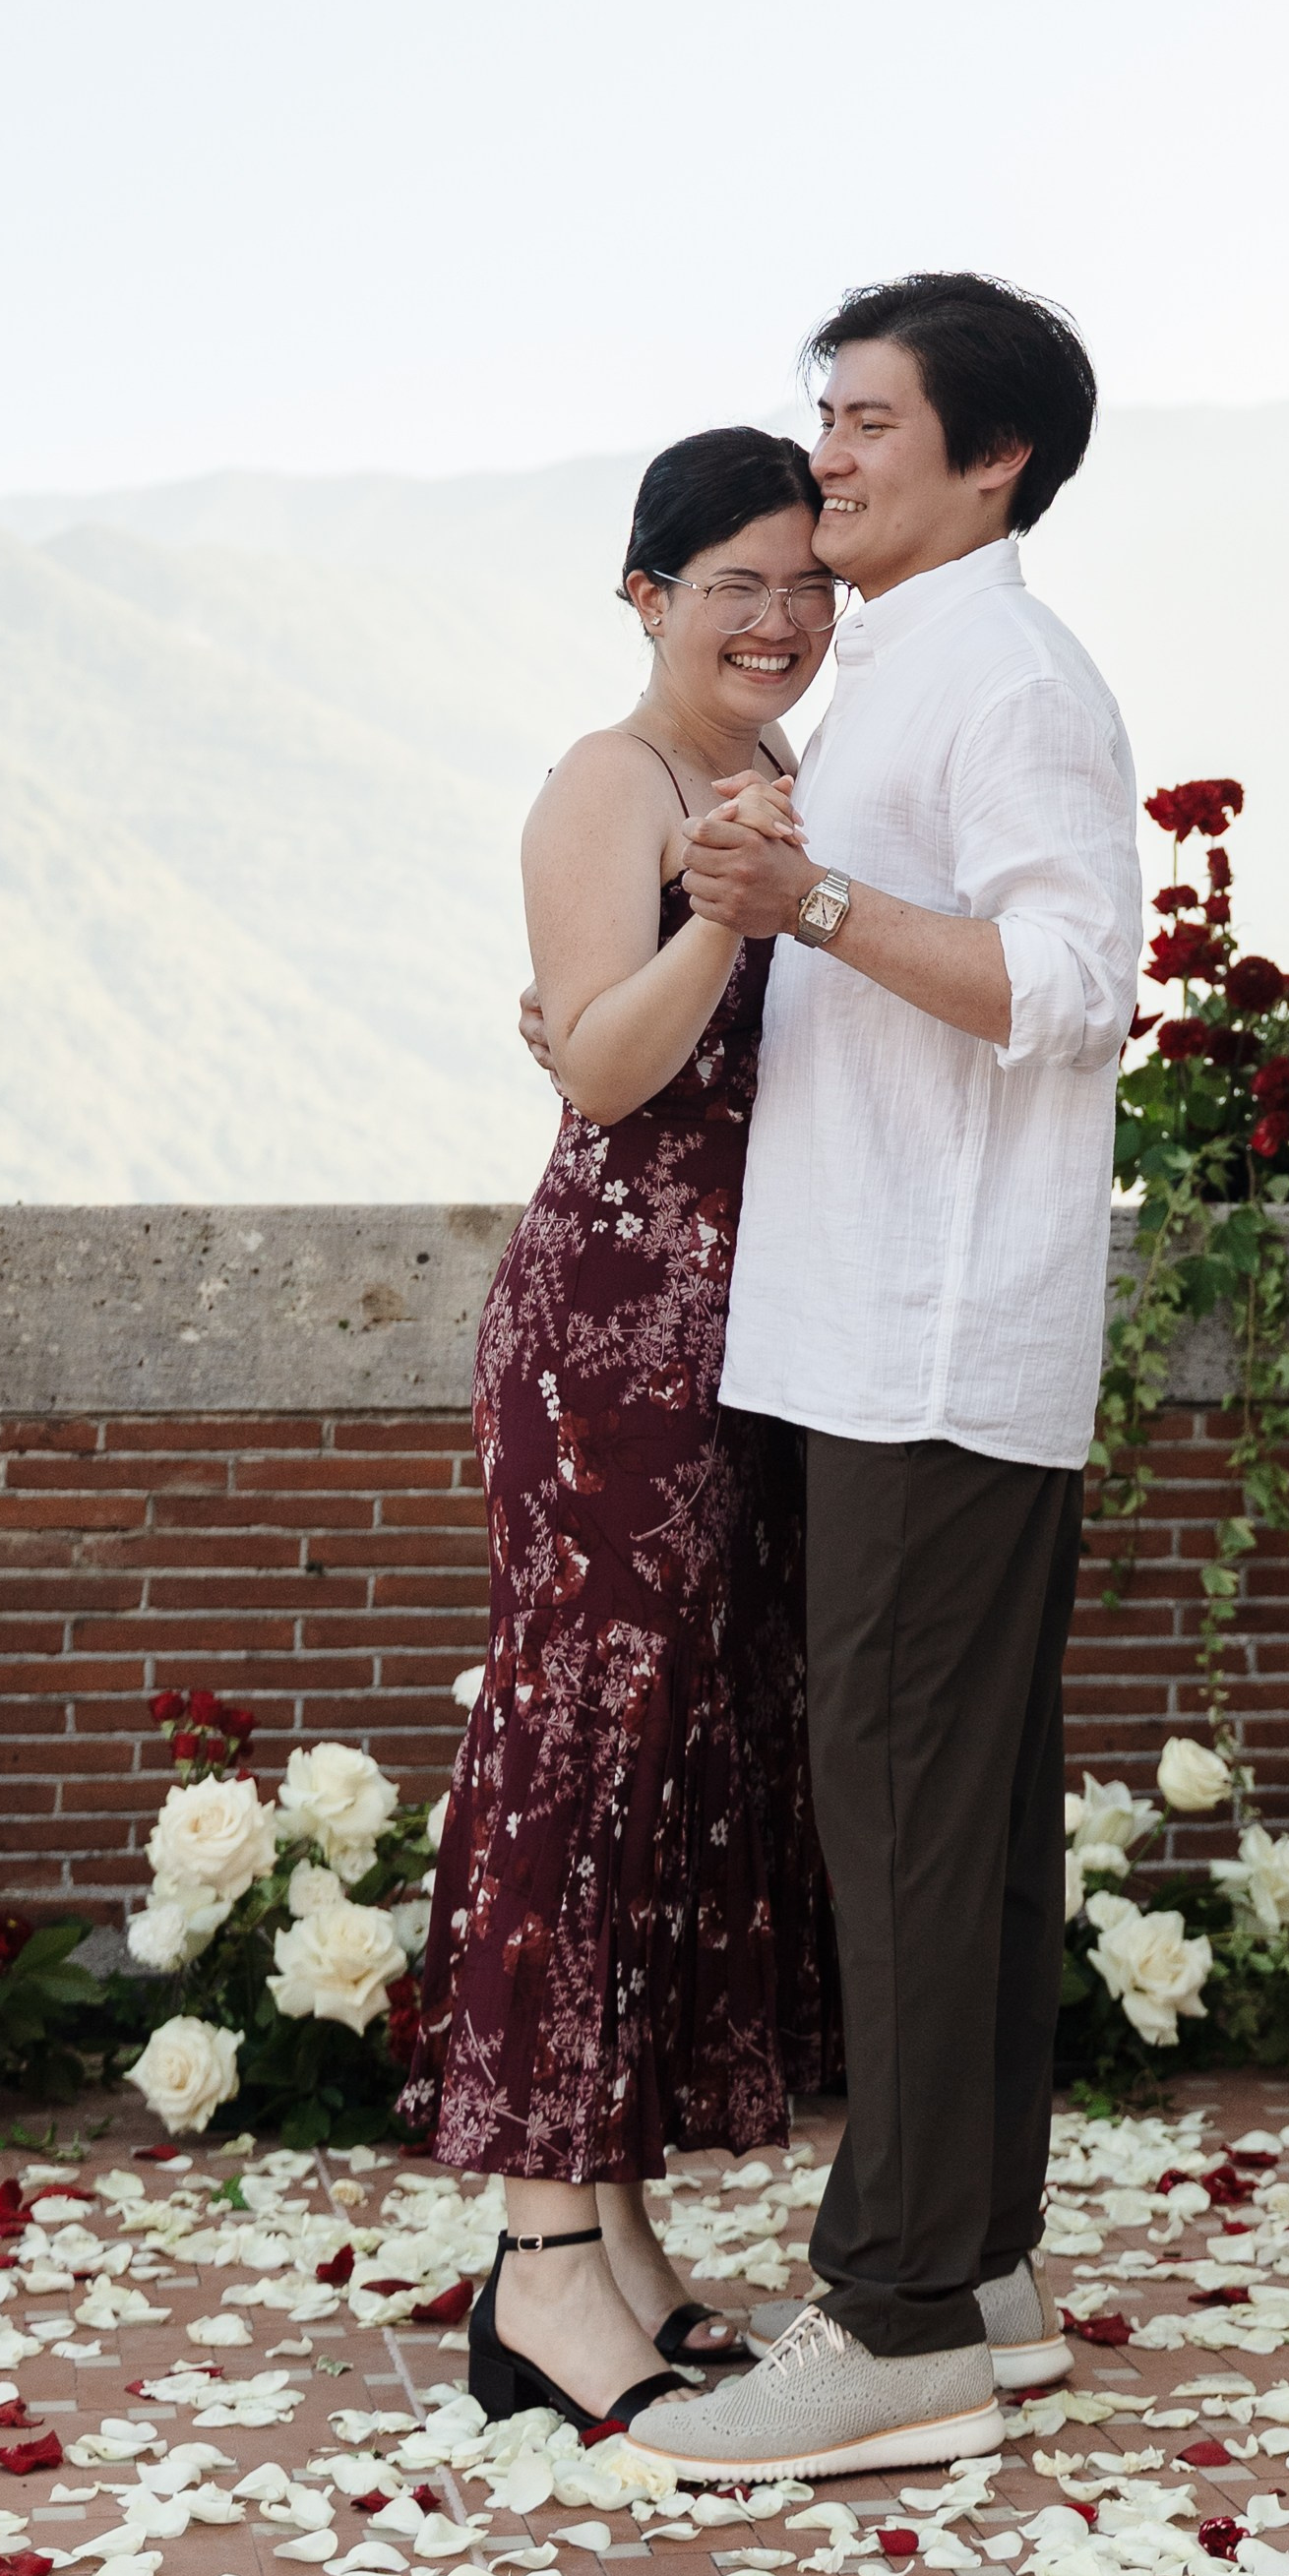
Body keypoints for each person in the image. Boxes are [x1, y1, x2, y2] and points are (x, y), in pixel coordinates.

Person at [628, 274, 1141, 2485]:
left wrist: (812, 904)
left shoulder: (1005, 675)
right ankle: (984, 2263)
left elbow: (1070, 984)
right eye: (818, 414)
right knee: (956, 1812)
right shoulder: (915, 660)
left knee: (907, 1812)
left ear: (988, 455)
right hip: (883, 1321)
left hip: (931, 1331)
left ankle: (901, 2306)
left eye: (862, 422)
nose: (821, 452)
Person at [398, 424, 844, 2438]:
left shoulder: (766, 787)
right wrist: (724, 921)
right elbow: (596, 1062)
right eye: (734, 580)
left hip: (745, 1352)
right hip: (609, 1347)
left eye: (805, 580)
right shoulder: (613, 781)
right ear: (645, 593)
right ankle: (539, 2258)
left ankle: (617, 2228)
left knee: (678, 1768)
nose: (777, 617)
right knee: (581, 1764)